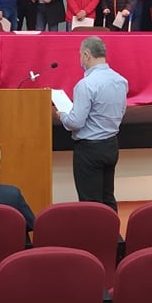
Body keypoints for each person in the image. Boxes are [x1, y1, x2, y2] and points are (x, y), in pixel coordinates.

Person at [56, 37, 128, 212]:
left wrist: (63, 116)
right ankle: (112, 228)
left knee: (90, 203)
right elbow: (121, 111)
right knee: (107, 196)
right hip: (111, 144)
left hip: (90, 149)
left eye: (80, 55)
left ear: (87, 55)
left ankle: (94, 230)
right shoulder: (120, 80)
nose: (80, 59)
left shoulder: (86, 85)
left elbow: (76, 122)